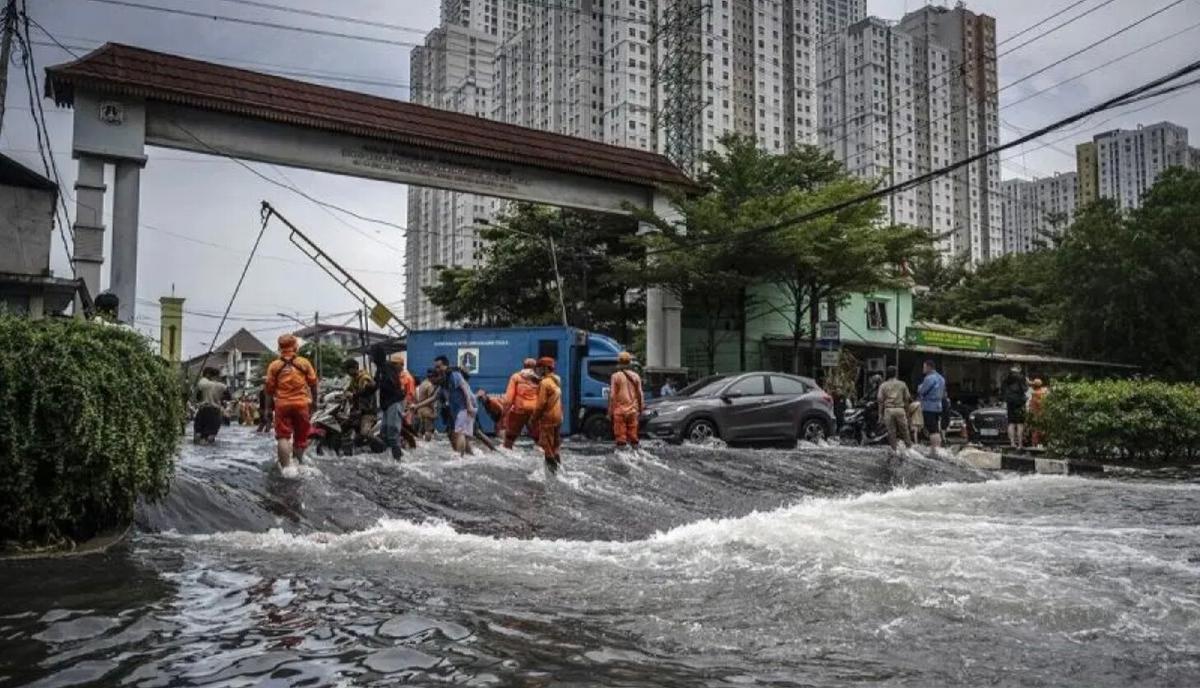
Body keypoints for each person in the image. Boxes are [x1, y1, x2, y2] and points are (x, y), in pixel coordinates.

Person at [265, 334, 319, 469]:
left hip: (282, 405)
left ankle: (287, 469)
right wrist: (315, 402)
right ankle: (299, 465)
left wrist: (267, 409)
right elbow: (313, 384)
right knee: (301, 438)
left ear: (279, 348)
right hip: (301, 405)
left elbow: (269, 390)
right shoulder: (304, 362)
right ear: (296, 347)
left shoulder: (274, 366)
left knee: (283, 437)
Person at [435, 355, 476, 456]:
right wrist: (417, 406)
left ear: (445, 365)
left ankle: (459, 459)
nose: (437, 369)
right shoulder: (445, 380)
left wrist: (469, 405)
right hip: (463, 408)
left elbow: (464, 388)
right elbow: (434, 397)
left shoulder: (454, 374)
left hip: (465, 407)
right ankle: (472, 457)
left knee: (460, 432)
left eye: (439, 367)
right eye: (436, 367)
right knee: (464, 435)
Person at [370, 346, 406, 460]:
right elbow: (374, 386)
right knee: (384, 435)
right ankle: (389, 460)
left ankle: (399, 462)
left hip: (394, 403)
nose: (371, 358)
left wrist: (380, 383)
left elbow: (393, 384)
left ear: (378, 356)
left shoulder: (388, 367)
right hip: (386, 405)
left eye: (372, 355)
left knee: (392, 434)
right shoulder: (380, 369)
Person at [531, 356, 563, 472]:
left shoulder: (545, 383)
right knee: (555, 447)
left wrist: (533, 418)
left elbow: (540, 404)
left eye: (539, 368)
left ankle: (553, 474)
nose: (537, 371)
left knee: (547, 447)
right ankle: (561, 469)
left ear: (545, 368)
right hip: (558, 417)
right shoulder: (556, 380)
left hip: (548, 419)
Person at [607, 351, 644, 450]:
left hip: (619, 412)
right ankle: (636, 456)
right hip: (633, 411)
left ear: (619, 362)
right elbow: (640, 394)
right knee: (634, 439)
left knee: (621, 440)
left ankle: (623, 459)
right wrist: (641, 409)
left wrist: (610, 411)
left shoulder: (615, 376)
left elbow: (612, 396)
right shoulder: (636, 376)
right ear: (630, 363)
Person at [502, 358, 541, 448]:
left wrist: (504, 413)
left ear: (523, 366)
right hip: (535, 412)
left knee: (509, 438)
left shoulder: (516, 377)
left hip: (519, 410)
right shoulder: (539, 379)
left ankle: (507, 455)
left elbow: (508, 399)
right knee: (539, 439)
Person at [342, 358, 378, 450]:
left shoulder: (364, 378)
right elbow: (348, 390)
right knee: (344, 425)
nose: (347, 372)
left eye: (348, 369)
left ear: (354, 368)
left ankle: (380, 448)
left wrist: (353, 395)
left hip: (368, 412)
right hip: (357, 411)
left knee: (364, 433)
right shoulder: (354, 379)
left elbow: (364, 392)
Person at [876, 366, 912, 455]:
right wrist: (907, 413)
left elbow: (880, 400)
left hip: (888, 410)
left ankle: (894, 450)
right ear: (895, 374)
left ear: (887, 374)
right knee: (905, 430)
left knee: (891, 432)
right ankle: (909, 449)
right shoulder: (902, 384)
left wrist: (880, 414)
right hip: (900, 409)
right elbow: (907, 399)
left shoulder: (883, 385)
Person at [193, 366, 230, 444]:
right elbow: (229, 396)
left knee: (198, 433)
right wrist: (219, 398)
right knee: (210, 435)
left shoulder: (201, 383)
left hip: (202, 410)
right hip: (214, 411)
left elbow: (198, 397)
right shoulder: (221, 385)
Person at [916, 360, 946, 453]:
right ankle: (937, 448)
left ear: (929, 367)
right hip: (938, 406)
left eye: (924, 367)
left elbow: (922, 391)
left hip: (929, 406)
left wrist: (919, 387)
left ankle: (935, 449)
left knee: (932, 429)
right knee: (936, 427)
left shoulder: (929, 378)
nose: (923, 369)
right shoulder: (941, 378)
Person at [1003, 366, 1029, 449]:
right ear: (1018, 371)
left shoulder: (1007, 378)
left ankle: (1012, 443)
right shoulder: (1021, 378)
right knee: (1020, 423)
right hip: (1019, 402)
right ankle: (1020, 444)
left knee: (1011, 423)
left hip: (1010, 402)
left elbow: (1003, 389)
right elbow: (1024, 389)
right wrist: (1027, 383)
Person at [414, 370, 439, 441]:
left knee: (420, 431)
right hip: (427, 410)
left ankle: (420, 448)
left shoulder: (422, 384)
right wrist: (434, 412)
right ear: (432, 377)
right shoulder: (429, 385)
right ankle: (427, 447)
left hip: (420, 410)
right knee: (428, 430)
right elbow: (432, 400)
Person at [1029, 378, 1049, 447]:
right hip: (1044, 415)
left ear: (1034, 386)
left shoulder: (1035, 394)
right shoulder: (1045, 392)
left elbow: (1033, 407)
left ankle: (1035, 446)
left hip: (1036, 415)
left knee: (1035, 431)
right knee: (1043, 431)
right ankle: (1043, 445)